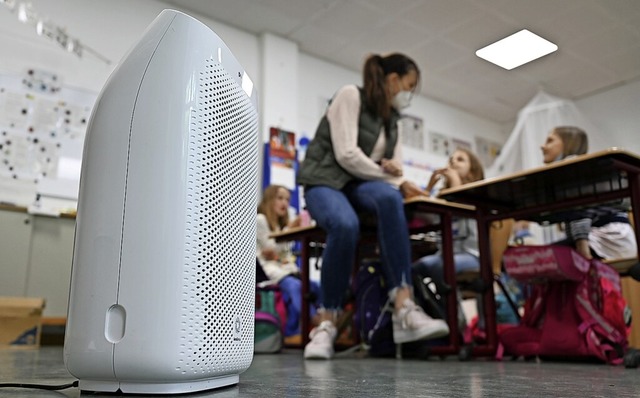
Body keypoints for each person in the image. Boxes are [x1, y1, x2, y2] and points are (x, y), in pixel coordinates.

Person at [297, 53, 449, 360]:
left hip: (357, 184)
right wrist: (392, 176)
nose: (409, 94)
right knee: (345, 225)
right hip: (325, 179)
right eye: (409, 86)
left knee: (391, 198)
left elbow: (395, 168)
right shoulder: (350, 95)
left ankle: (404, 307)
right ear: (393, 80)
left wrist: (394, 172)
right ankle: (326, 323)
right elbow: (347, 155)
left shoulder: (394, 121)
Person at [540, 126, 637, 259]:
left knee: (534, 259)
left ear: (568, 143)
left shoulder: (572, 169)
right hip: (621, 240)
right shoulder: (586, 170)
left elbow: (580, 210)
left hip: (607, 239)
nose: (542, 146)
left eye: (550, 141)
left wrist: (582, 248)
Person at [412, 148, 485, 318]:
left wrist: (455, 183)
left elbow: (461, 208)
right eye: (450, 159)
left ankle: (455, 320)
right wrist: (429, 188)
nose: (452, 162)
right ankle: (439, 315)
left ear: (472, 170)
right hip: (444, 256)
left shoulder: (477, 193)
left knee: (441, 267)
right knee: (412, 270)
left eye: (460, 159)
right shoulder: (442, 198)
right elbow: (423, 214)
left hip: (472, 255)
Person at [257, 184, 321, 344]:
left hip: (284, 269)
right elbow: (270, 250)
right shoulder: (261, 219)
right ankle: (317, 322)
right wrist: (288, 231)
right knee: (296, 287)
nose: (284, 203)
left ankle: (296, 331)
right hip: (268, 270)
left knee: (314, 286)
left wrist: (286, 233)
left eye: (287, 199)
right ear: (270, 200)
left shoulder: (280, 225)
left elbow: (279, 253)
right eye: (280, 198)